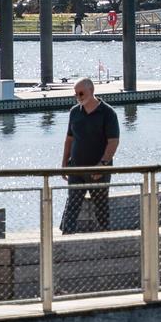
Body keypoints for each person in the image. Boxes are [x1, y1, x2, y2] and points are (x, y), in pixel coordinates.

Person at [60, 78, 120, 232]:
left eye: (81, 93)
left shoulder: (108, 113)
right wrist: (64, 162)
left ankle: (106, 238)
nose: (78, 97)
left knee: (101, 206)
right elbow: (69, 139)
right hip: (76, 169)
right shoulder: (74, 112)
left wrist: (103, 165)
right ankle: (66, 238)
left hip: (99, 171)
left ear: (91, 91)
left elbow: (113, 142)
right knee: (72, 204)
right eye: (76, 94)